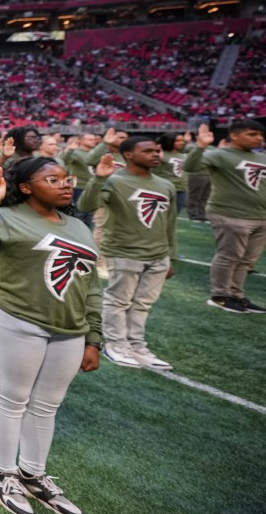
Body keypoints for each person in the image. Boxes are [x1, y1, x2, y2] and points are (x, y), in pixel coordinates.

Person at [0, 156, 100, 514]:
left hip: (69, 327)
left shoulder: (78, 226)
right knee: (12, 396)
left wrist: (94, 336)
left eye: (66, 179)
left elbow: (90, 284)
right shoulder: (7, 217)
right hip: (14, 317)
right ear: (26, 187)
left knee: (48, 404)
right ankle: (3, 474)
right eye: (53, 179)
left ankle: (33, 474)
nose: (66, 184)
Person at [77, 138, 177, 368]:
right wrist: (99, 178)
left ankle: (137, 344)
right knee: (118, 300)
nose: (155, 154)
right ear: (129, 155)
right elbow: (85, 205)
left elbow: (169, 224)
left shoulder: (165, 185)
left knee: (143, 303)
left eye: (157, 150)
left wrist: (169, 255)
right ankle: (115, 343)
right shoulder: (114, 181)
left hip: (158, 255)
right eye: (148, 150)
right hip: (124, 251)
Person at [183, 120, 266, 313]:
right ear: (234, 135)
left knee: (247, 260)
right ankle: (220, 295)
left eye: (261, 135)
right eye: (252, 134)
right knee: (229, 256)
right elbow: (190, 167)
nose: (259, 138)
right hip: (230, 213)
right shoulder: (219, 154)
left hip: (260, 215)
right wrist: (200, 147)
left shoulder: (261, 157)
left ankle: (237, 295)